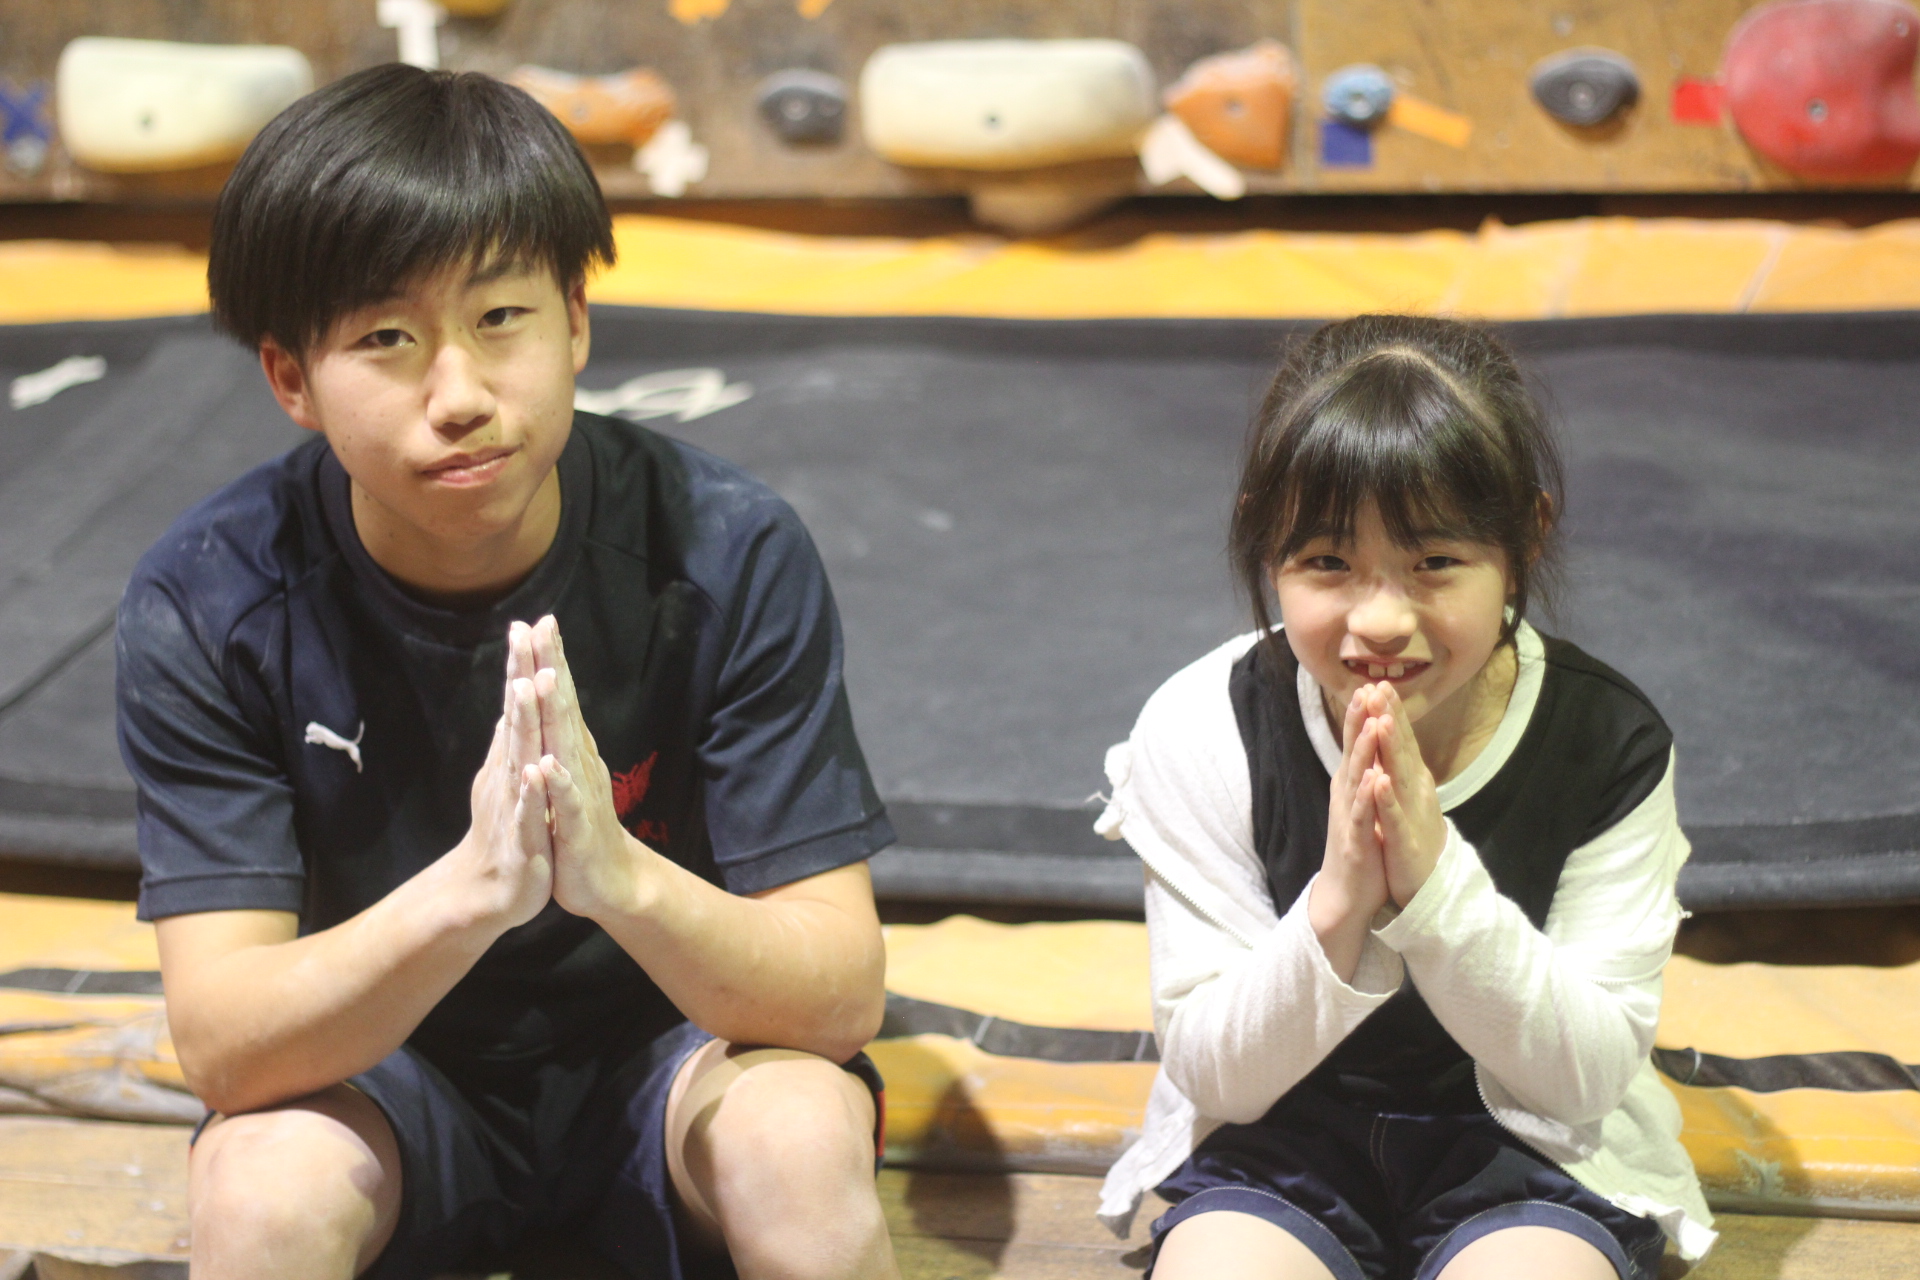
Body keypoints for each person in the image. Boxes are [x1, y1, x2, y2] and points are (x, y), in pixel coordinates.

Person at [116, 64, 900, 1280]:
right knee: (262, 1187)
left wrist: (617, 878)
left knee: (798, 1137)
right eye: (386, 338)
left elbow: (838, 993)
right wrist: (474, 888)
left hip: (674, 1057)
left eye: (500, 318)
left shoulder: (724, 548)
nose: (462, 396)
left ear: (575, 322)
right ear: (291, 379)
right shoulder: (210, 598)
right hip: (378, 1080)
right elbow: (225, 1044)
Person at [1091, 315, 1716, 1280]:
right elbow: (1216, 1073)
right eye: (1327, 563)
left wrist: (1433, 888)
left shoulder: (1605, 740)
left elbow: (1585, 1076)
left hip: (1527, 1140)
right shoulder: (1203, 723)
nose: (1380, 620)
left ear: (1527, 535)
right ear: (1265, 538)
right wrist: (1339, 901)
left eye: (1434, 564)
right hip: (1280, 1134)